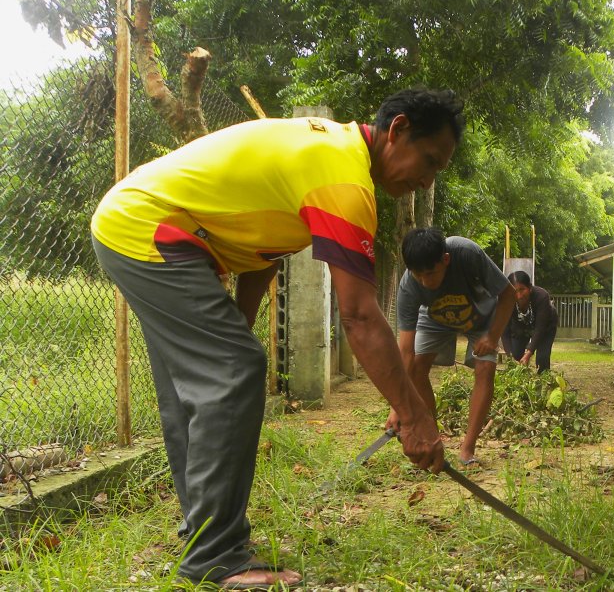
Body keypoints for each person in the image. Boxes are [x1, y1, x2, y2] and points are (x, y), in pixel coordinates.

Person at [90, 88, 462, 588]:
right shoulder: (343, 177)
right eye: (429, 160)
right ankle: (214, 557)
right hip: (147, 228)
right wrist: (414, 416)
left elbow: (262, 255)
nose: (426, 178)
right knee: (233, 371)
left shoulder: (333, 156)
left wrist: (231, 340)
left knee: (204, 384)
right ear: (397, 131)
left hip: (141, 226)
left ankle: (206, 537)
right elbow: (358, 315)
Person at [389, 227, 516, 467]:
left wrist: (492, 336)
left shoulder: (466, 252)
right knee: (416, 366)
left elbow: (508, 294)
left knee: (485, 370)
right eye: (419, 276)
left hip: (481, 316)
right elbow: (405, 351)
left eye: (431, 273)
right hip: (435, 317)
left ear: (445, 260)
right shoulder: (409, 285)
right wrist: (398, 406)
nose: (426, 283)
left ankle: (467, 449)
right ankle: (431, 439)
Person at [501, 270, 559, 375]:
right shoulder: (507, 301)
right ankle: (523, 380)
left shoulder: (542, 297)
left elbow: (540, 329)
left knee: (542, 358)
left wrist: (529, 352)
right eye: (514, 291)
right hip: (520, 326)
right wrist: (509, 357)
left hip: (546, 325)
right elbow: (504, 330)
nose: (519, 296)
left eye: (522, 289)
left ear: (530, 288)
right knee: (516, 355)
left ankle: (542, 382)